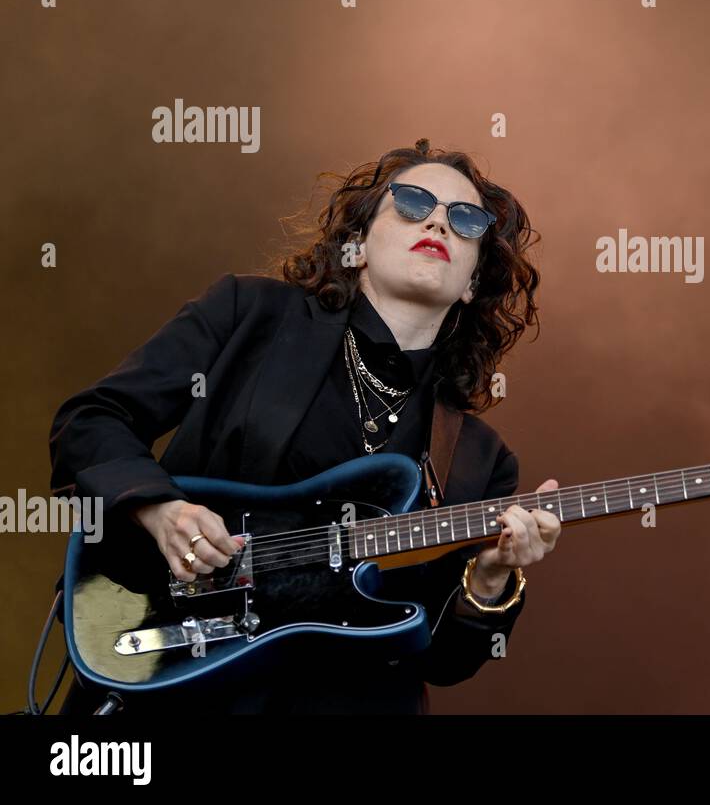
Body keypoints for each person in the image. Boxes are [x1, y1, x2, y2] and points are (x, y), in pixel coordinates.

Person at [49, 140, 559, 713]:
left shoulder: (478, 457)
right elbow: (91, 421)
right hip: (178, 678)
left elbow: (441, 661)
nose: (439, 221)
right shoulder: (250, 315)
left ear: (471, 281)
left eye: (466, 220)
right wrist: (159, 509)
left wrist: (488, 580)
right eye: (414, 203)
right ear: (359, 243)